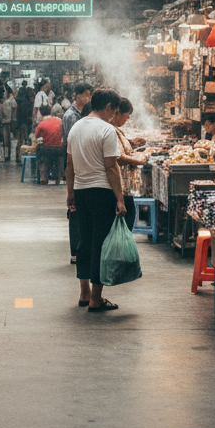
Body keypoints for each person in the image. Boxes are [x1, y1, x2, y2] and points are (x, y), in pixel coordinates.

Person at [66, 86, 127, 312]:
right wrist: (119, 199)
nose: (114, 115)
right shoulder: (106, 130)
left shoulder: (76, 127)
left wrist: (70, 193)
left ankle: (84, 293)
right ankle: (96, 298)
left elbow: (70, 165)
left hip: (81, 191)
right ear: (109, 107)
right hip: (102, 192)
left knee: (84, 241)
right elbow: (111, 167)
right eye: (115, 110)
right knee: (100, 243)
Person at [61, 82, 92, 262]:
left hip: (77, 167)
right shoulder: (72, 116)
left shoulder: (79, 115)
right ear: (78, 95)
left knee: (78, 211)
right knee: (75, 211)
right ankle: (76, 252)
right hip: (75, 166)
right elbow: (74, 145)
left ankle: (79, 250)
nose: (88, 98)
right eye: (86, 94)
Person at [111, 97, 148, 230]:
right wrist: (140, 161)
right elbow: (118, 157)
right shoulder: (111, 130)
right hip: (119, 186)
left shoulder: (115, 129)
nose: (127, 120)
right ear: (118, 113)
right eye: (126, 116)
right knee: (126, 220)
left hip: (123, 187)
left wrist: (131, 143)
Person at [35, 104, 64, 184]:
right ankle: (60, 176)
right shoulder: (59, 120)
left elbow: (37, 137)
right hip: (59, 149)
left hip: (46, 150)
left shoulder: (41, 124)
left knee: (39, 149)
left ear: (41, 113)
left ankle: (42, 176)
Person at [15, 81, 34, 163]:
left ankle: (18, 157)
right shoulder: (27, 104)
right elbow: (28, 115)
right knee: (24, 140)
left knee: (19, 140)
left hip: (20, 123)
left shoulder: (19, 102)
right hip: (25, 124)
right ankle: (22, 157)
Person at [0, 88, 17, 161]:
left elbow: (2, 114)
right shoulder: (13, 101)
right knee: (9, 141)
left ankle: (7, 156)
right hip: (12, 122)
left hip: (6, 123)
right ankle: (8, 155)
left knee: (6, 141)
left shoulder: (7, 102)